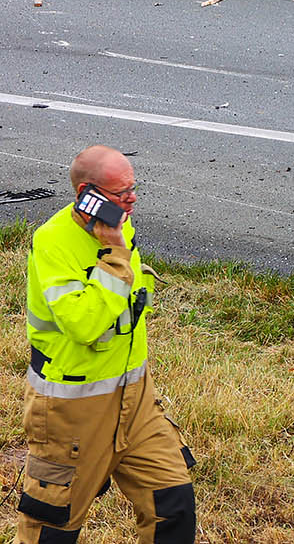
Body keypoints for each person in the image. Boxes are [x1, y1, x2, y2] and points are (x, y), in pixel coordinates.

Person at [18, 146, 196, 543]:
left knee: (173, 504)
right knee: (52, 526)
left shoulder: (118, 225)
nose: (132, 200)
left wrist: (116, 242)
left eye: (133, 189)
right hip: (72, 411)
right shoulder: (53, 242)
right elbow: (84, 324)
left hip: (135, 399)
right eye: (121, 193)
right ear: (87, 193)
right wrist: (115, 254)